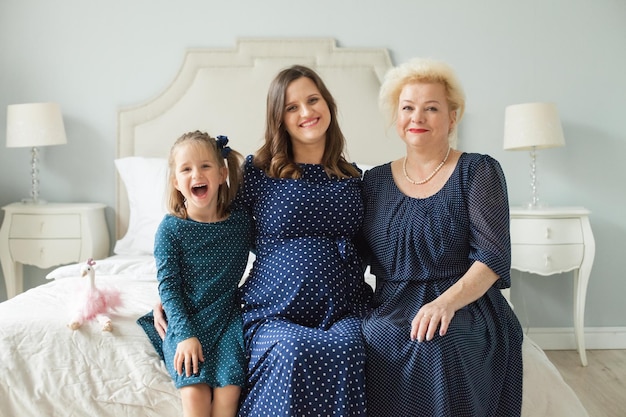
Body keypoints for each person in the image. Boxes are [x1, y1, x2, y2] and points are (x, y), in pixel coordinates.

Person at [154, 65, 373, 416]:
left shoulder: (353, 178)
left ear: (328, 104)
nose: (306, 112)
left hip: (341, 307)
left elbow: (376, 244)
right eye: (291, 107)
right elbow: (216, 229)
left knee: (349, 348)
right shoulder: (258, 172)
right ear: (279, 119)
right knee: (291, 349)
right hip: (275, 310)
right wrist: (177, 299)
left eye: (313, 100)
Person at [359, 58, 524, 417]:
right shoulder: (373, 181)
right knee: (373, 339)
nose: (417, 117)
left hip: (466, 302)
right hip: (393, 304)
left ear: (452, 117)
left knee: (436, 343)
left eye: (431, 108)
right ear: (396, 117)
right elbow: (353, 253)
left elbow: (493, 257)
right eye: (408, 108)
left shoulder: (477, 170)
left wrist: (444, 304)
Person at [139, 131, 253, 417]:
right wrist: (186, 336)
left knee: (228, 397)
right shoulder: (170, 230)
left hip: (226, 320)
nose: (196, 174)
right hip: (186, 322)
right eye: (186, 169)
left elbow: (271, 258)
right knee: (196, 395)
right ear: (176, 182)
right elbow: (169, 287)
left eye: (205, 166)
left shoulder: (241, 224)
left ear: (222, 172)